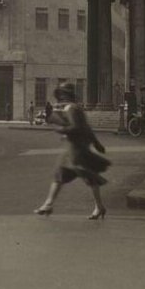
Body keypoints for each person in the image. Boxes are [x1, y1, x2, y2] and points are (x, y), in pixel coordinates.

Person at [34, 82, 110, 219]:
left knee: (83, 176)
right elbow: (87, 128)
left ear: (64, 95)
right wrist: (97, 143)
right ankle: (49, 204)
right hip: (75, 148)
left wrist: (60, 129)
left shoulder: (70, 109)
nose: (61, 97)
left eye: (62, 94)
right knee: (63, 175)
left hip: (75, 150)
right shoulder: (76, 108)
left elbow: (75, 127)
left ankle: (98, 207)